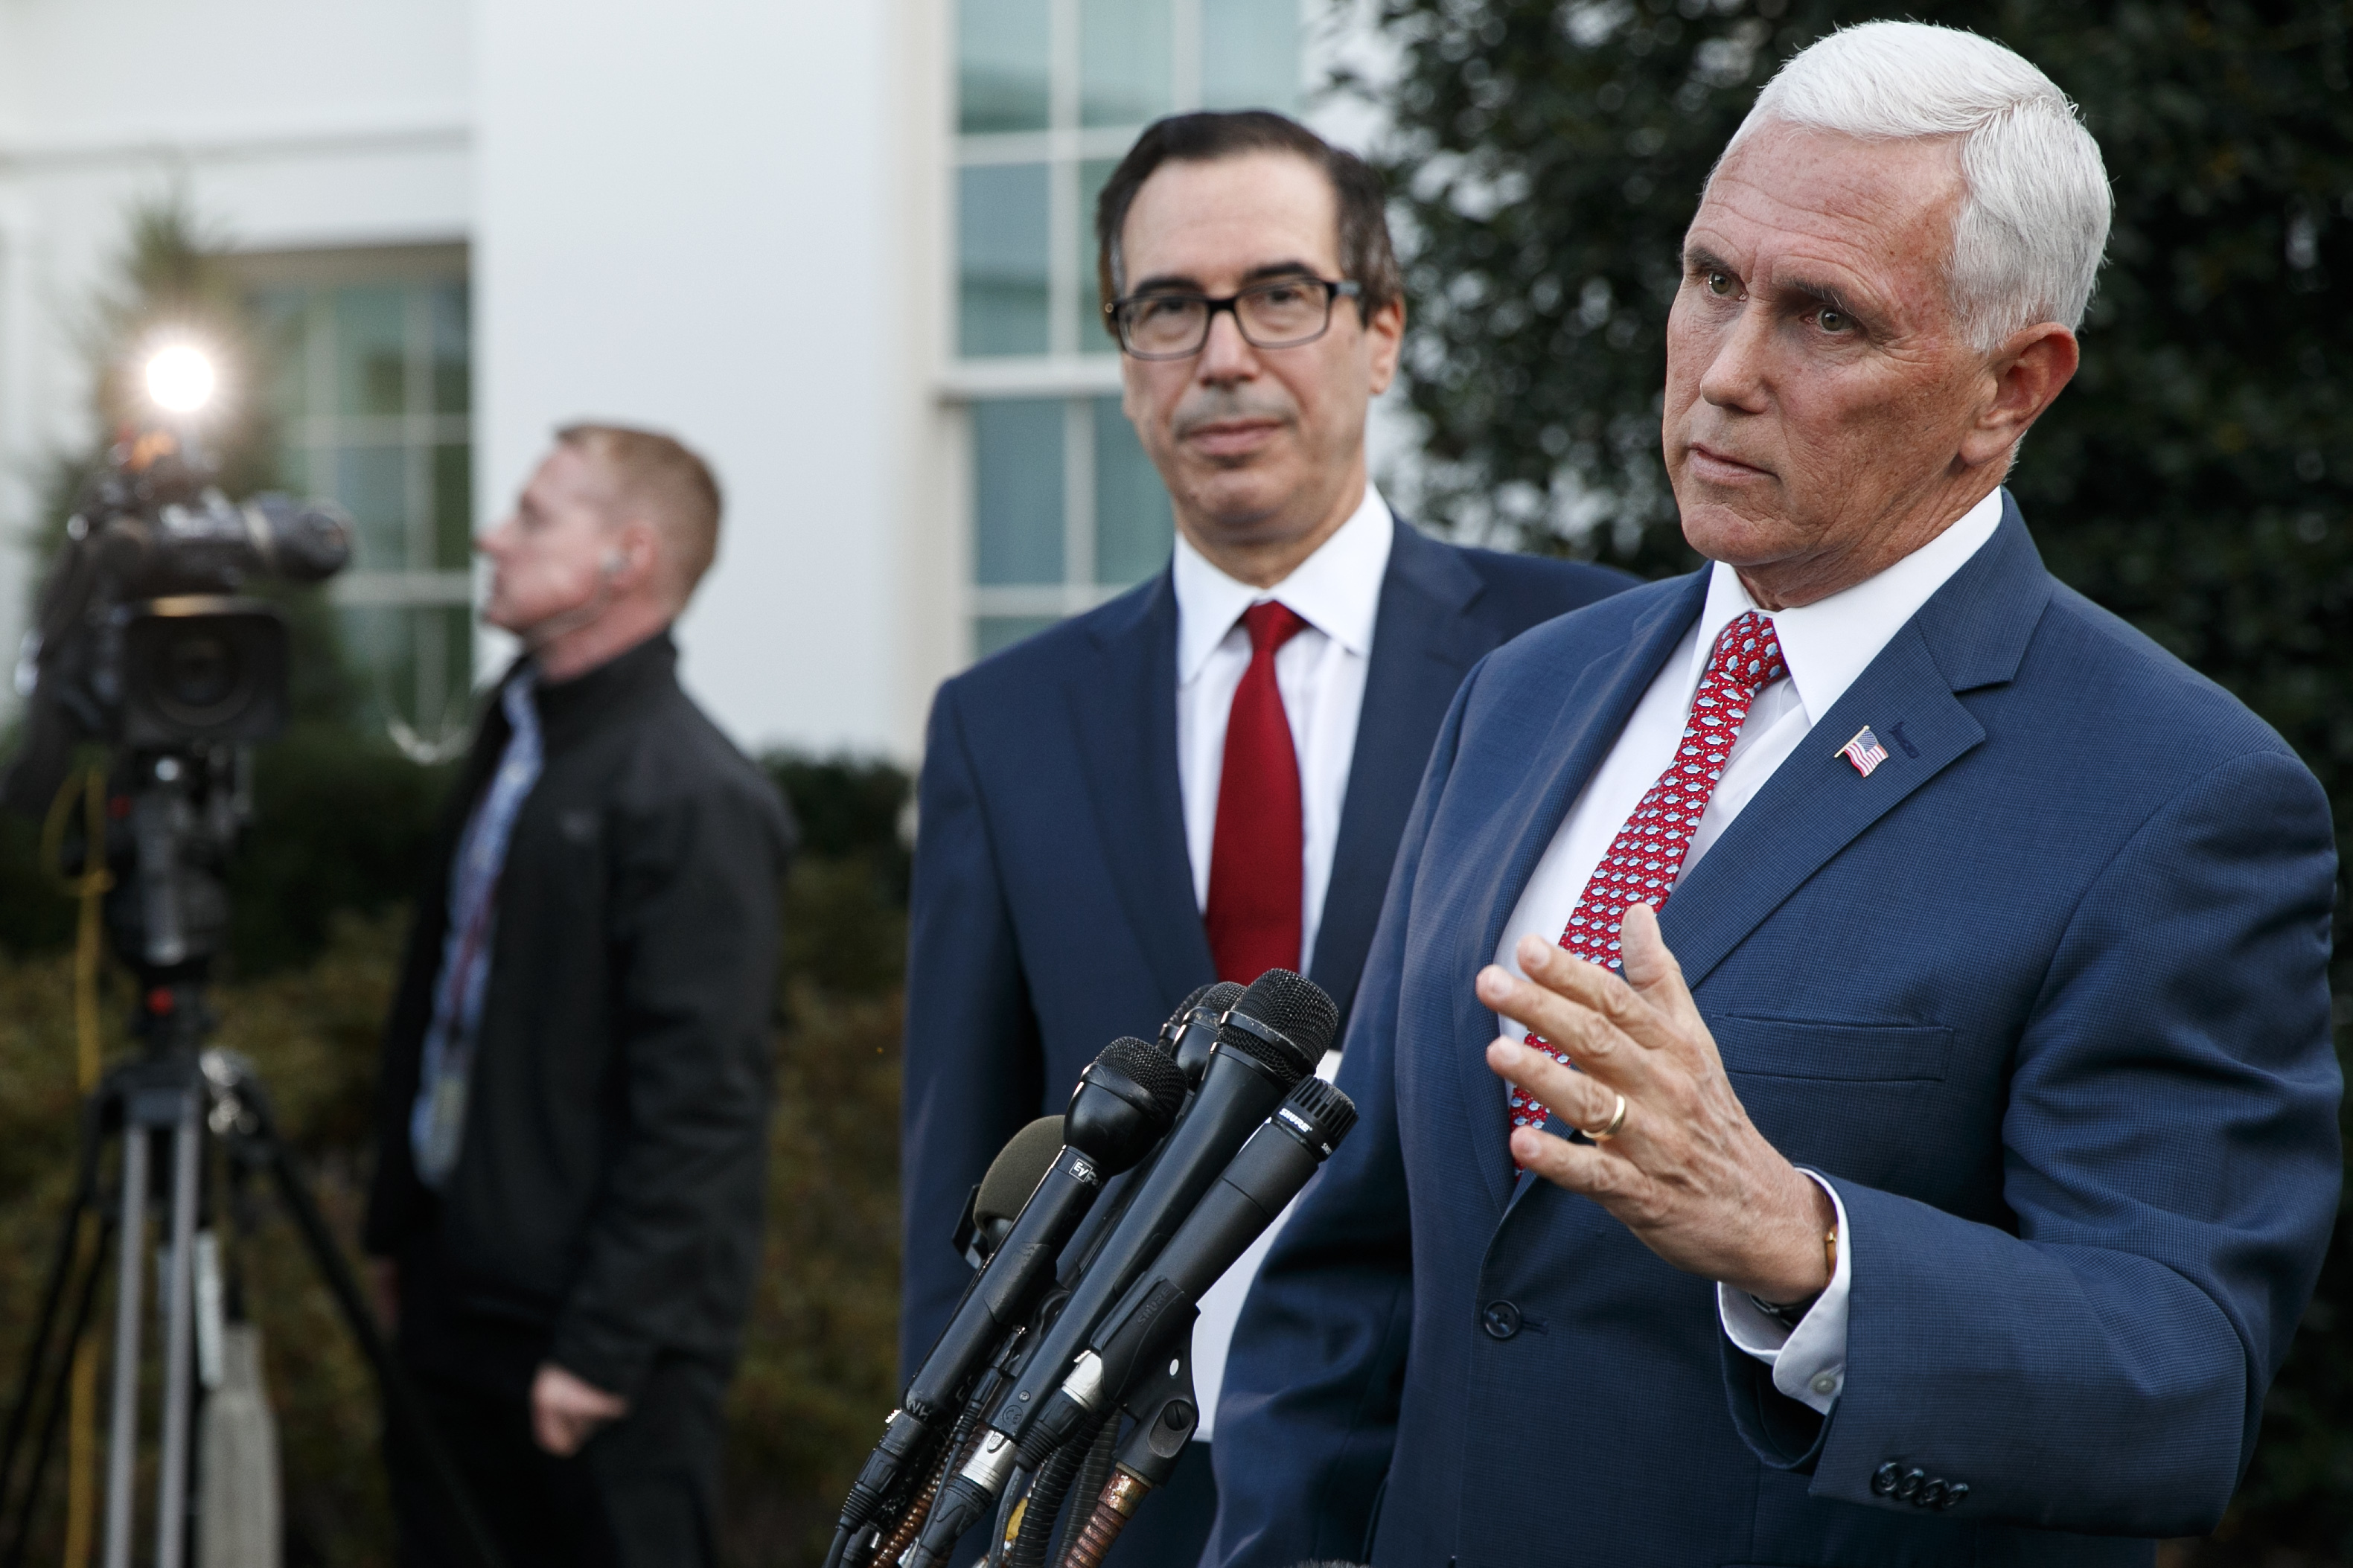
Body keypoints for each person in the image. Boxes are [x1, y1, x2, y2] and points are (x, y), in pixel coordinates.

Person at [1207, 23, 2341, 1568]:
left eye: (1825, 317)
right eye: (1711, 281)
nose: (1727, 372)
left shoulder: (2177, 797)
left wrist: (1804, 1246)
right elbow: (1360, 1262)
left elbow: (2176, 1385)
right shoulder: (1527, 693)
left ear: (2011, 388)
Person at [899, 110, 1633, 1565]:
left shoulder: (1586, 654)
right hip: (1106, 1495)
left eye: (1279, 295)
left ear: (1380, 333)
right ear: (1125, 362)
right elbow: (962, 1179)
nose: (1223, 354)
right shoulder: (1006, 721)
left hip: (1472, 1469)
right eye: (1169, 306)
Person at [363, 424, 794, 1568]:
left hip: (598, 1359)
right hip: (457, 1311)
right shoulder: (514, 740)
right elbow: (441, 1010)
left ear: (628, 558)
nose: (489, 537)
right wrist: (398, 1233)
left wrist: (600, 1353)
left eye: (534, 516)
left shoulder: (696, 797)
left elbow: (702, 1109)